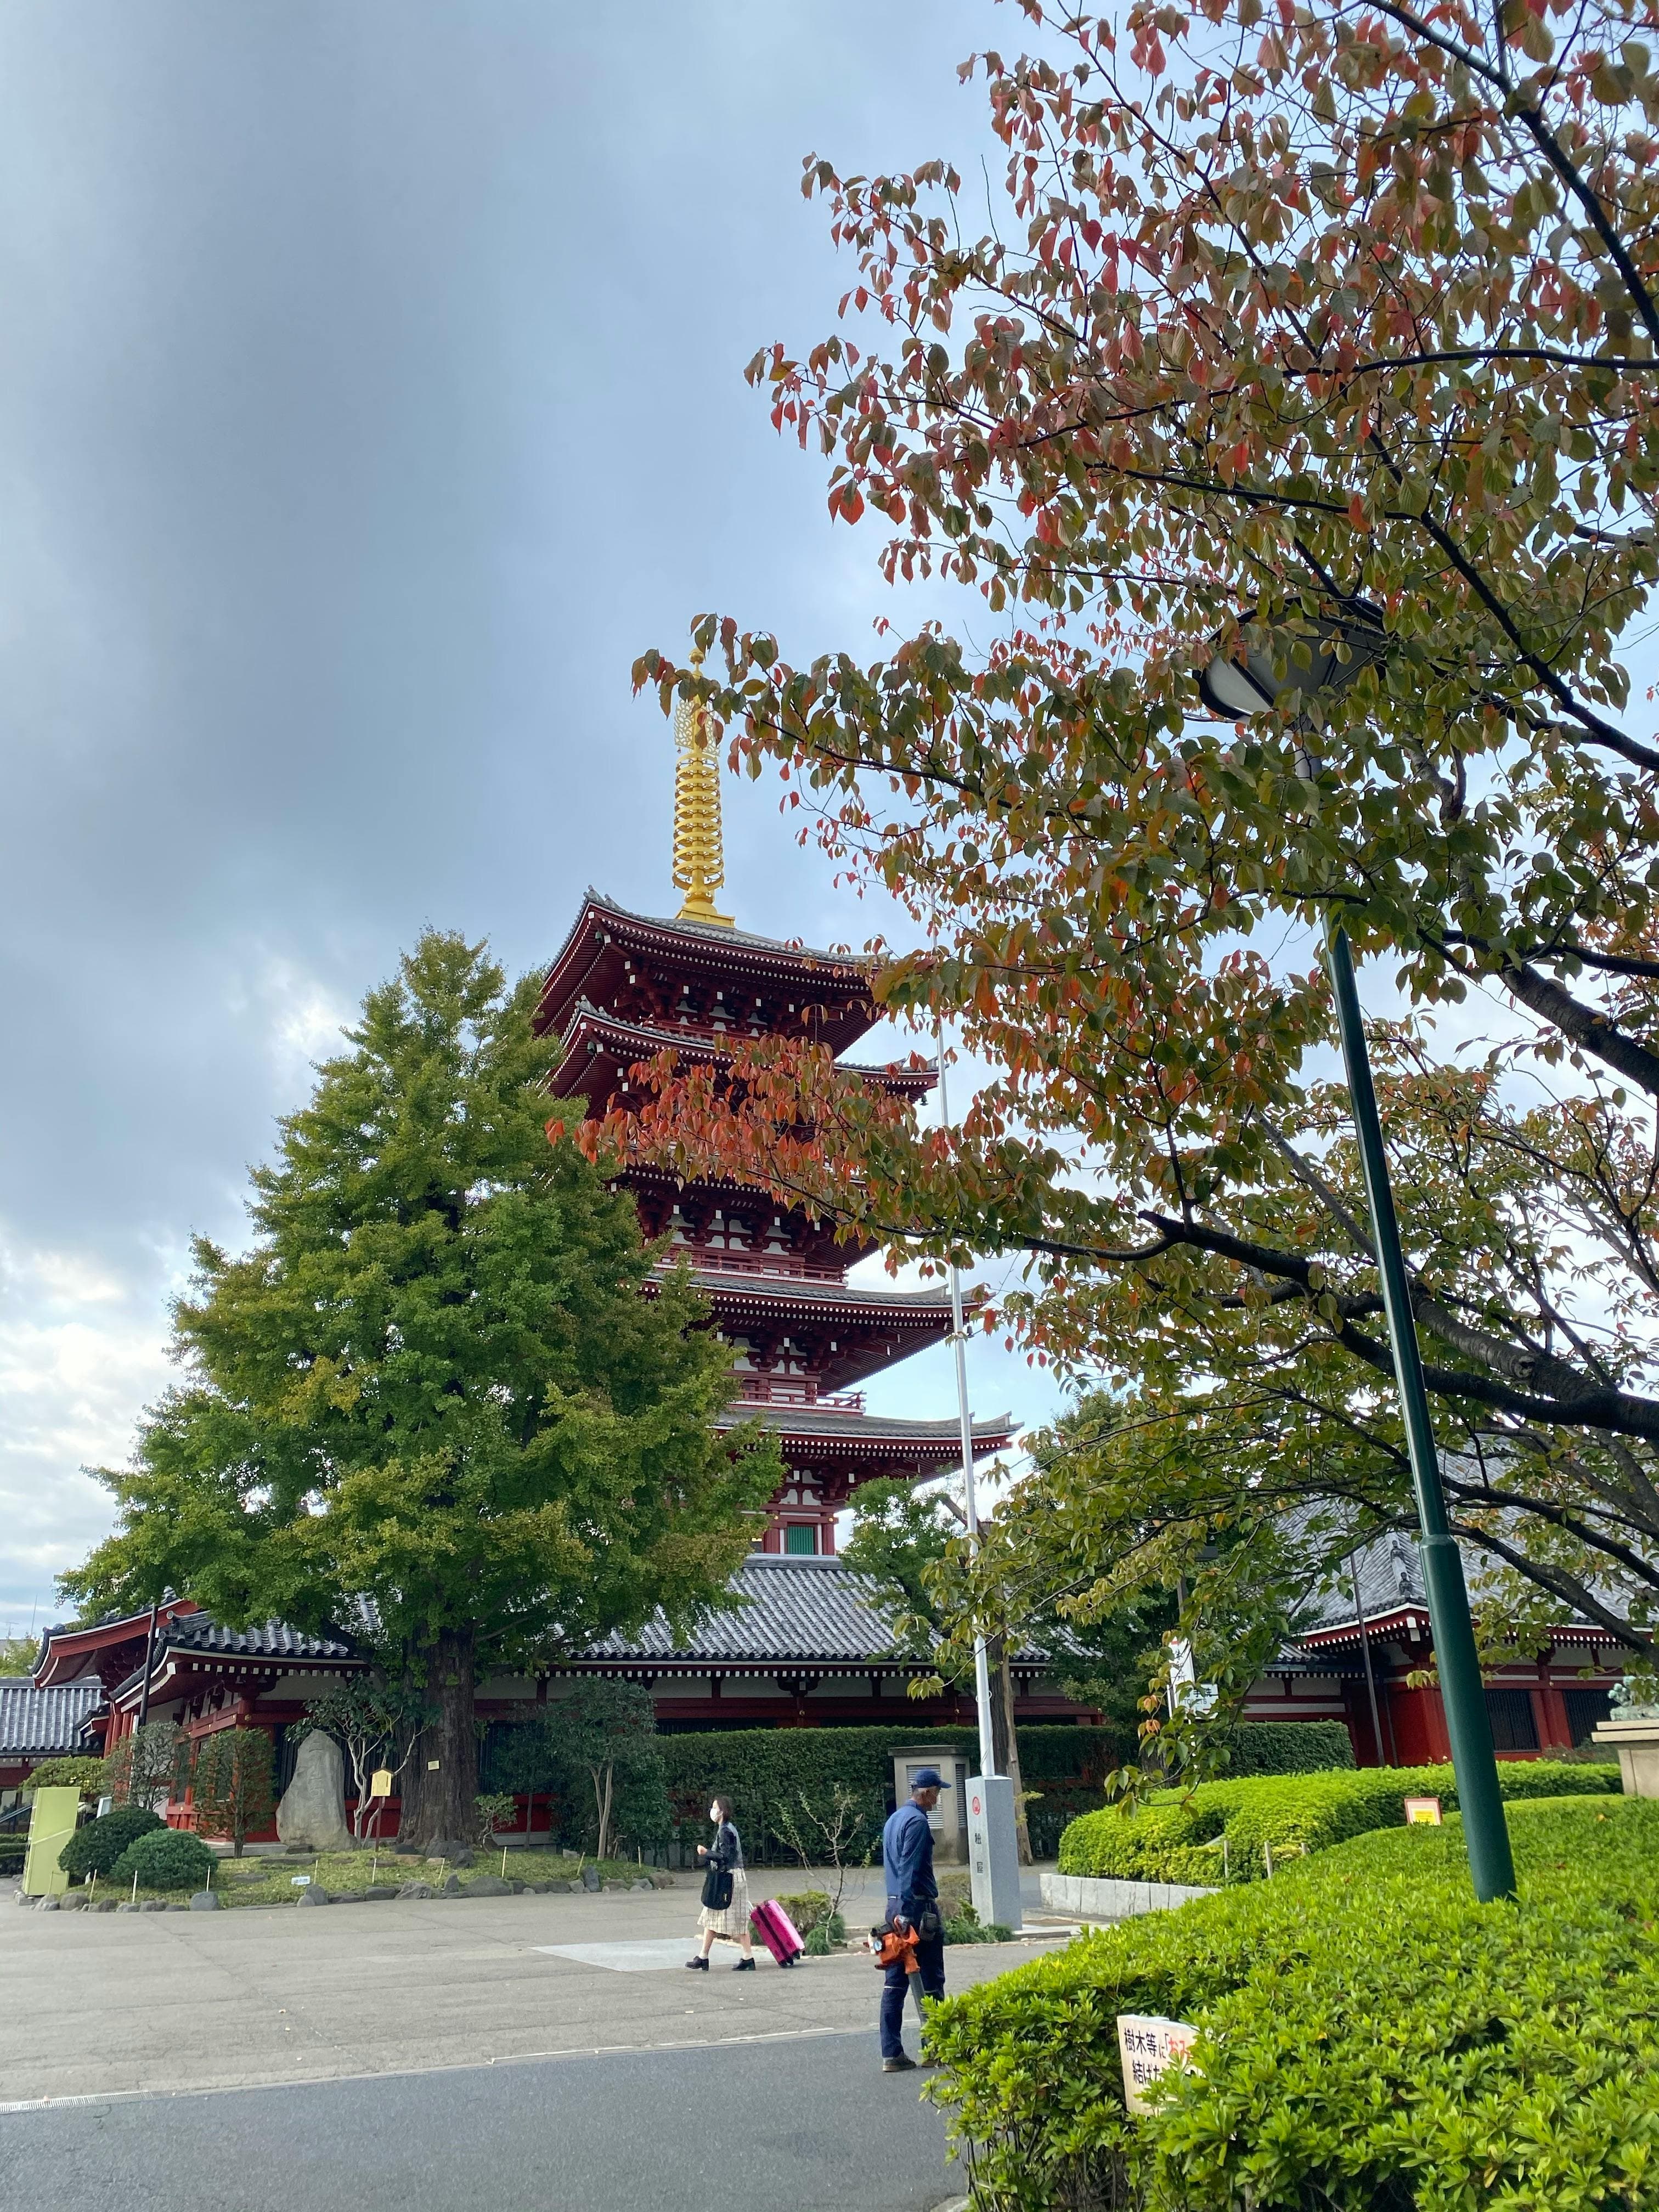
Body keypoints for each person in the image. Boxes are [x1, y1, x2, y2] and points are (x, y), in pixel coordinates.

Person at [878, 1767, 948, 2072]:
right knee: (932, 1979)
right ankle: (935, 2049)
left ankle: (891, 2053)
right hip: (917, 1908)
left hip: (893, 1906)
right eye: (937, 1793)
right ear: (927, 1792)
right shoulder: (919, 1822)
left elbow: (895, 1868)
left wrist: (898, 1910)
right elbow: (909, 1867)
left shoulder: (894, 1819)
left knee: (894, 1983)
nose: (937, 1799)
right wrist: (908, 1912)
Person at [687, 1795, 755, 1970]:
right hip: (729, 1878)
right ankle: (705, 1957)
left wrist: (706, 1852)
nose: (712, 1811)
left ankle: (746, 1958)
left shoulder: (726, 1831)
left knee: (730, 1917)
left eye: (715, 1807)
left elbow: (725, 1857)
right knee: (714, 1915)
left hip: (729, 1879)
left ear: (722, 1811)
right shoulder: (726, 1829)